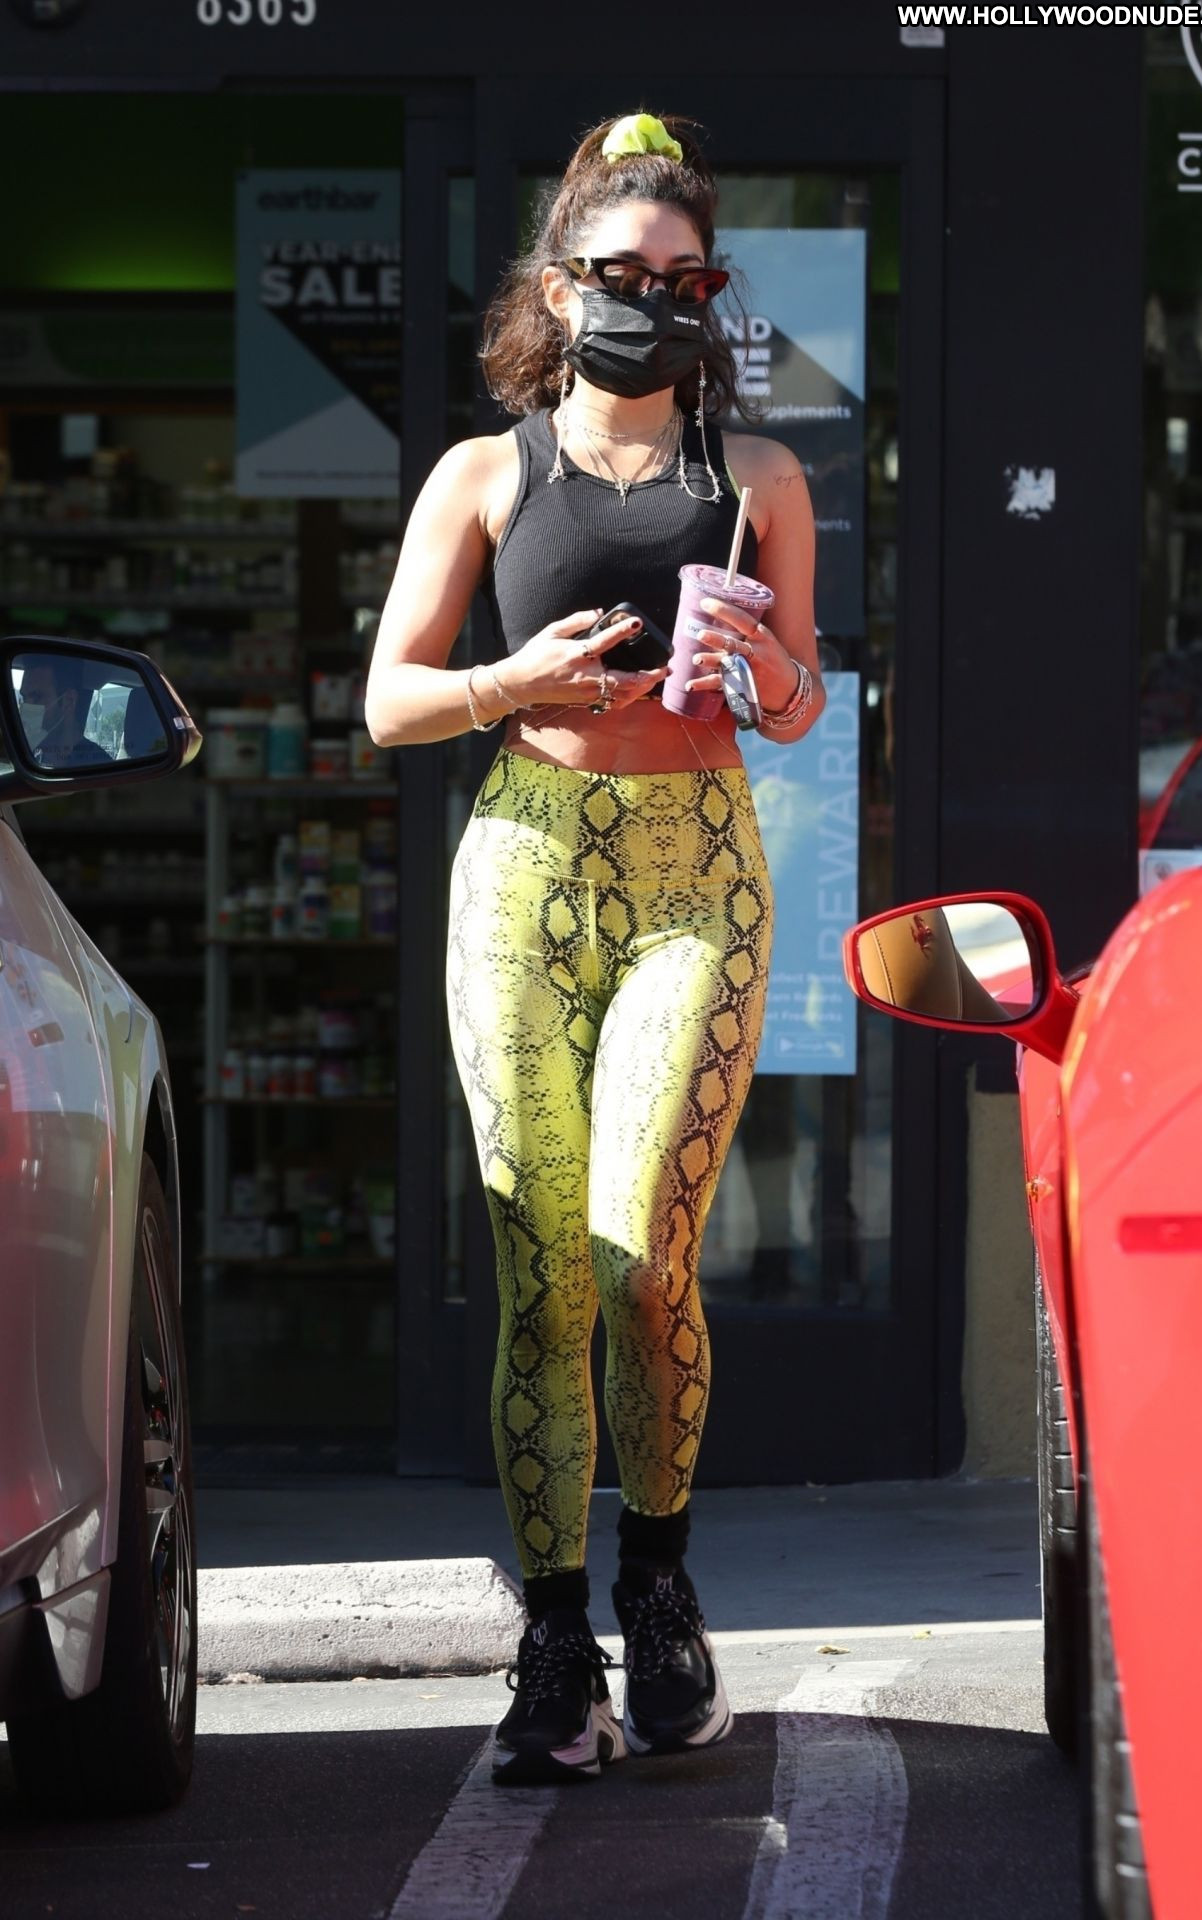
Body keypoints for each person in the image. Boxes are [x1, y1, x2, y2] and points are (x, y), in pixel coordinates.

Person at [365, 109, 823, 1786]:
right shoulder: (486, 475)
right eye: (628, 273)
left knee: (643, 1260)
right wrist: (517, 682)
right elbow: (390, 700)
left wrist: (764, 663)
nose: (657, 299)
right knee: (541, 1272)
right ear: (562, 286)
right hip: (525, 863)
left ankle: (662, 1587)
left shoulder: (756, 479)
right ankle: (555, 1645)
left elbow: (803, 700)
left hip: (699, 869)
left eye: (688, 279)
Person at [16, 653, 115, 772]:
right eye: (24, 698)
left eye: (36, 697)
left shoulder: (99, 766)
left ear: (68, 701)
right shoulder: (32, 761)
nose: (26, 709)